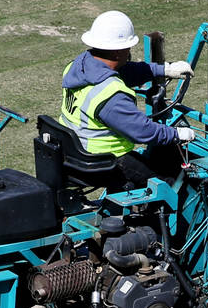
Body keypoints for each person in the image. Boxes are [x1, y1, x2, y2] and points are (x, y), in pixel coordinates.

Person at [61, 10, 196, 188]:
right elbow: (143, 132)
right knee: (168, 186)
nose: (129, 52)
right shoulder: (111, 95)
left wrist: (164, 69)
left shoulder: (79, 67)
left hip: (74, 153)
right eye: (128, 48)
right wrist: (177, 134)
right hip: (103, 161)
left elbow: (124, 72)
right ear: (117, 52)